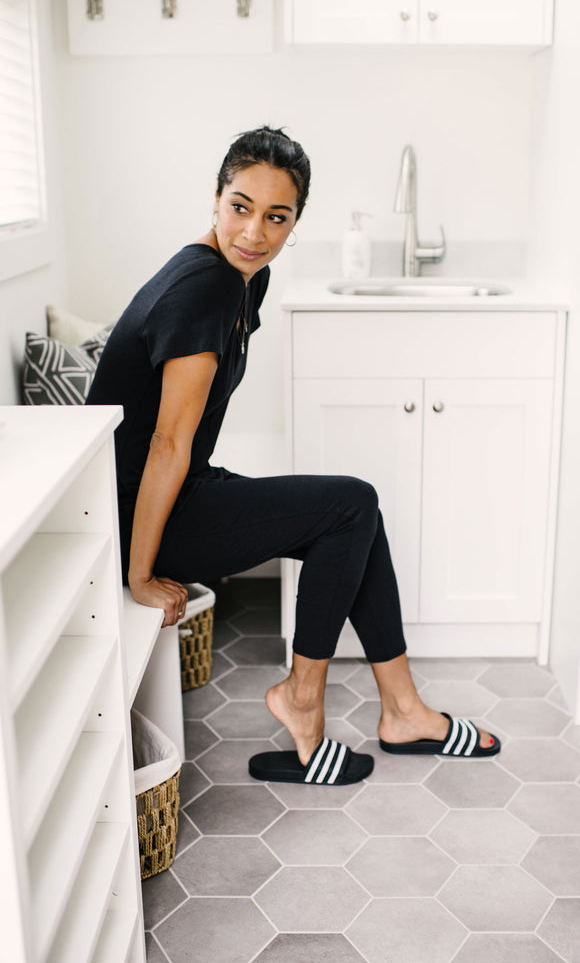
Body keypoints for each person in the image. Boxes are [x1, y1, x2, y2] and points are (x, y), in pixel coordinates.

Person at [87, 126, 500, 786]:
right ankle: (304, 700)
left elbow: (175, 446)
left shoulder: (242, 277)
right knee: (350, 504)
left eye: (276, 217)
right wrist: (139, 576)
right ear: (216, 198)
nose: (254, 231)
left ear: (294, 222)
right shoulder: (206, 287)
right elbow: (166, 442)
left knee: (353, 513)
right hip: (137, 514)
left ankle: (403, 710)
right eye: (240, 207)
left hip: (167, 492)